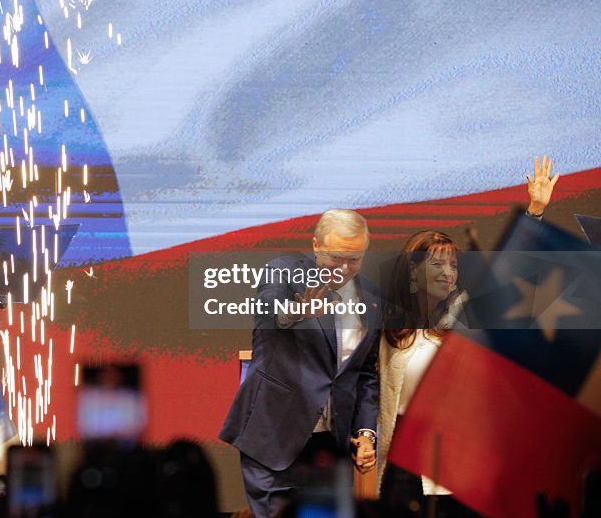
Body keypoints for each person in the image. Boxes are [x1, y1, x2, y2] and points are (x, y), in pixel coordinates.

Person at [375, 156, 559, 517]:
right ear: (412, 273)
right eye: (437, 264)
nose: (448, 272)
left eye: (454, 264)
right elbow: (363, 388)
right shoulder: (388, 330)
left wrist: (535, 212)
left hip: (455, 469)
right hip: (401, 469)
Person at [219, 209, 382, 518]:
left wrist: (365, 433)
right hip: (275, 435)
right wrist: (297, 311)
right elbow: (269, 310)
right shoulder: (282, 272)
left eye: (355, 259)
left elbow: (365, 375)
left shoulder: (373, 298)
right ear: (316, 245)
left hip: (331, 446)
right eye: (336, 257)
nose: (344, 269)